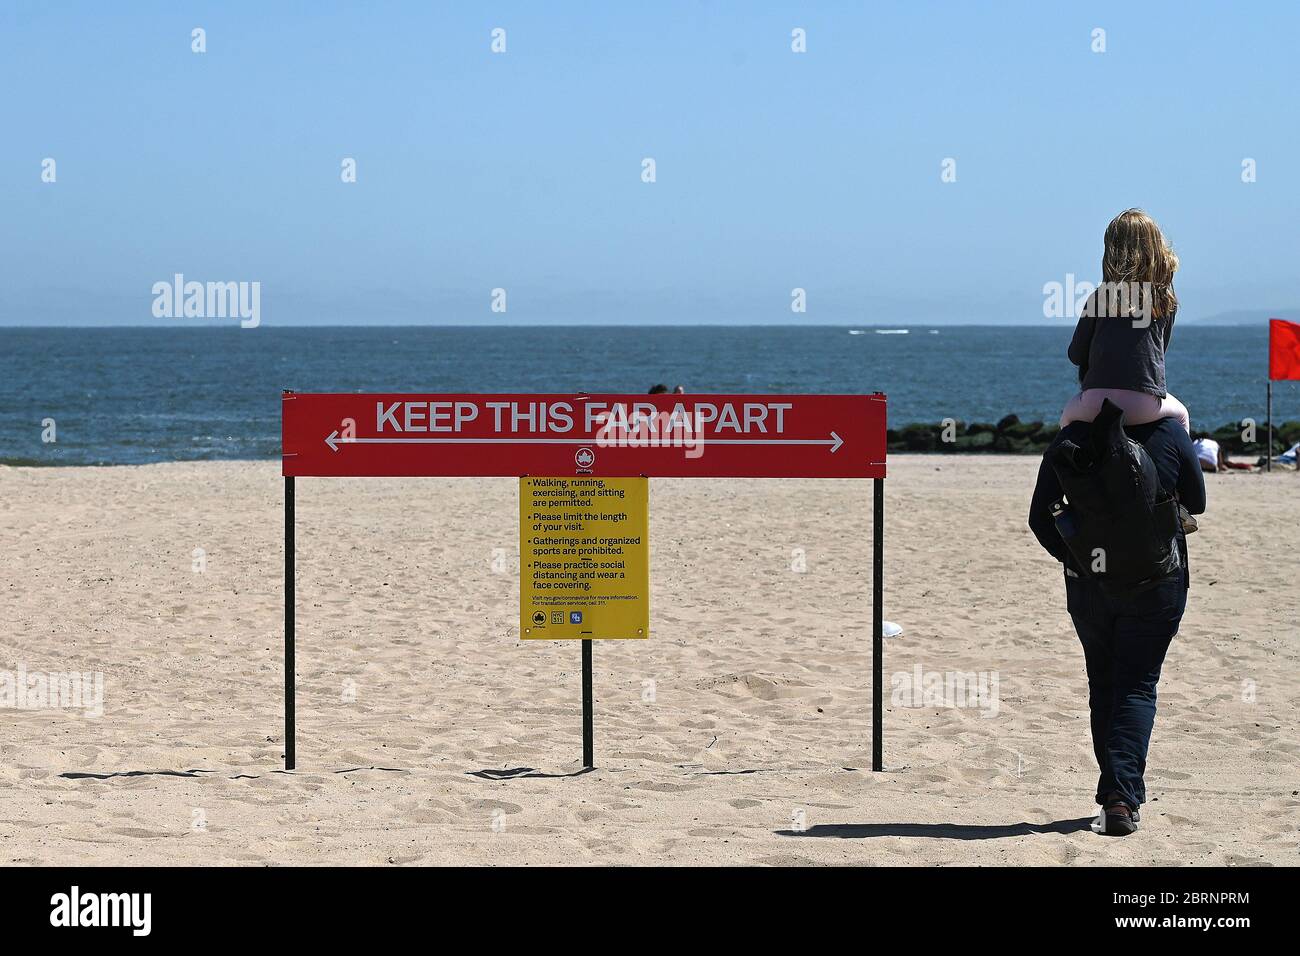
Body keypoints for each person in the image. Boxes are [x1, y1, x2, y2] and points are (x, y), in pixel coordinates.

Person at [1028, 410, 1206, 836]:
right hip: (1156, 582)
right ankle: (1120, 798)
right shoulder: (1168, 433)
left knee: (1103, 683)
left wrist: (1082, 562)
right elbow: (1197, 503)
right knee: (1137, 684)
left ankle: (1116, 795)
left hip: (1089, 588)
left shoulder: (1071, 436)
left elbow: (1040, 518)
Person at [1060, 209, 1191, 434]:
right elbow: (1159, 355)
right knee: (1182, 416)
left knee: (1066, 423)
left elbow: (1076, 355)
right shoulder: (1164, 301)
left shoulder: (1100, 297)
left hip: (1095, 404)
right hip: (1143, 405)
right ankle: (1187, 470)